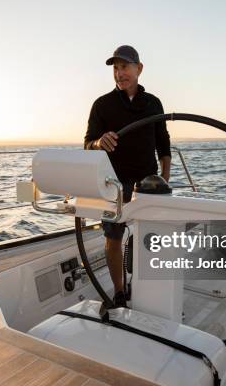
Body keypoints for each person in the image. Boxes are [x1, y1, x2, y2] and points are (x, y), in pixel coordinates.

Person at [84, 45, 171, 308]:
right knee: (113, 238)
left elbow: (163, 146)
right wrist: (99, 142)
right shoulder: (102, 105)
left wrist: (164, 182)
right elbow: (87, 144)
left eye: (124, 67)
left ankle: (149, 289)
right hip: (113, 183)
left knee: (150, 237)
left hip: (147, 183)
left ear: (139, 69)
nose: (119, 73)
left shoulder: (153, 103)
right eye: (116, 68)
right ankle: (119, 293)